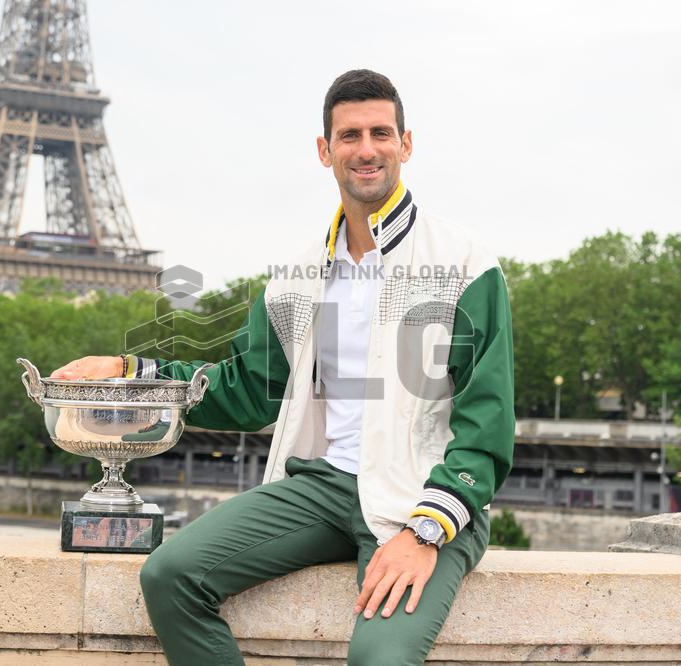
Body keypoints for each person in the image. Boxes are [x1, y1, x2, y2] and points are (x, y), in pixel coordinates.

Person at [51, 69, 515, 666]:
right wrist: (131, 369)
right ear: (325, 151)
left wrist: (425, 533)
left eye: (380, 132)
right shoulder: (294, 279)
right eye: (349, 136)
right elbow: (248, 389)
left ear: (406, 144)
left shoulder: (465, 262)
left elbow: (488, 418)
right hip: (323, 487)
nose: (366, 149)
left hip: (424, 498)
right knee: (169, 575)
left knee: (381, 660)